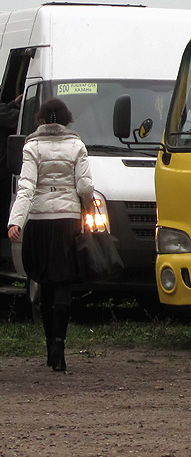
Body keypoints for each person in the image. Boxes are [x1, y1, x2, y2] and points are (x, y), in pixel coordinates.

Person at [7, 98, 94, 372]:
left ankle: (48, 347)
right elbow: (85, 186)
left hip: (41, 222)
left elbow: (26, 188)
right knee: (64, 282)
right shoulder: (77, 146)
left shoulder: (32, 147)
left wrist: (15, 222)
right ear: (67, 119)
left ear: (42, 120)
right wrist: (87, 207)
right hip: (68, 222)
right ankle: (60, 345)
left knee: (44, 281)